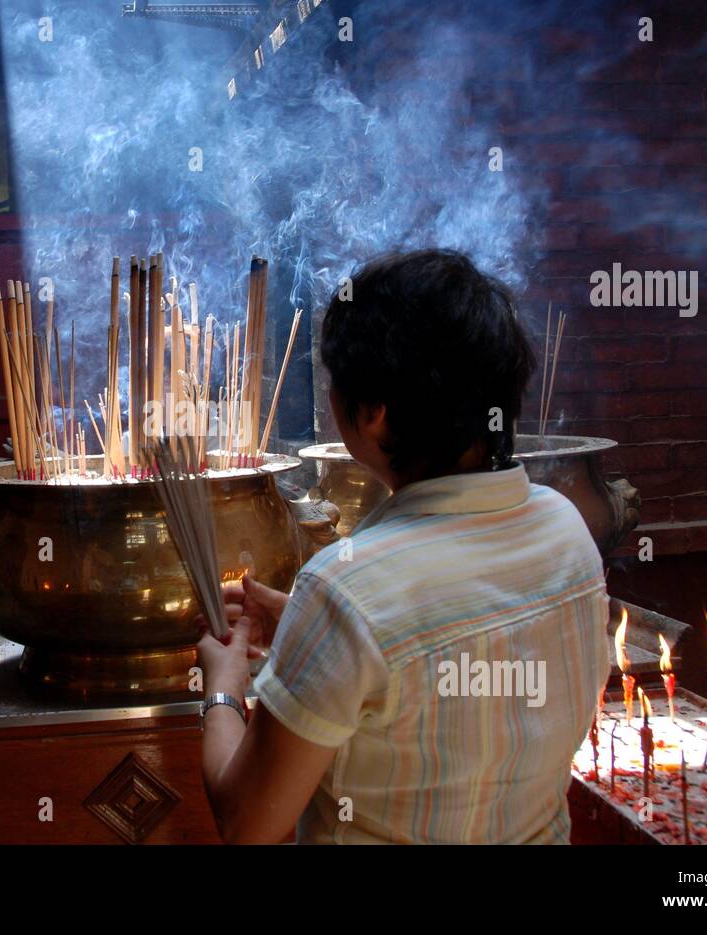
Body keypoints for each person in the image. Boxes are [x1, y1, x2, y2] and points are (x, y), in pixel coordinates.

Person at [197, 249, 609, 844]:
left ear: (374, 415)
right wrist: (312, 640)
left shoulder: (345, 590)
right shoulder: (565, 529)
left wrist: (222, 688)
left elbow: (246, 824)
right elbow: (442, 663)